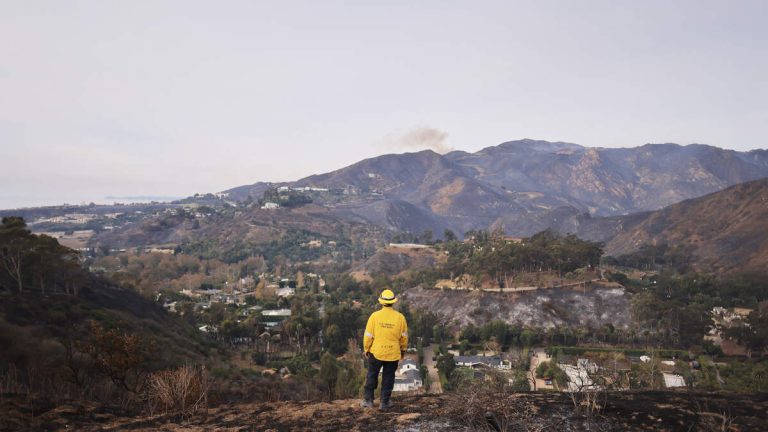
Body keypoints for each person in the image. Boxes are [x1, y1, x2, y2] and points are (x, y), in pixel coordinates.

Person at [361, 289, 408, 410]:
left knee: (372, 375)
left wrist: (366, 349)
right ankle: (384, 402)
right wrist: (402, 350)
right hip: (393, 353)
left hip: (376, 352)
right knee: (388, 377)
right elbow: (404, 338)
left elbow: (368, 336)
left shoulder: (374, 316)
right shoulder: (400, 317)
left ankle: (368, 401)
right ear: (393, 302)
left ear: (381, 302)